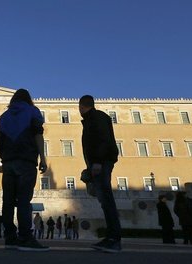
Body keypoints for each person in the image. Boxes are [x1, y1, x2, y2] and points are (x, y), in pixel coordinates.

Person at [0, 89, 49, 251]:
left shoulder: (4, 116)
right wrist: (43, 158)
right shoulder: (32, 112)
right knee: (24, 200)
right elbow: (38, 135)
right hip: (26, 161)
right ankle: (25, 237)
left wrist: (5, 158)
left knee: (8, 201)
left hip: (8, 162)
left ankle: (10, 238)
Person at [79, 95, 121, 253]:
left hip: (101, 163)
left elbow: (103, 140)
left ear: (82, 106)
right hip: (99, 162)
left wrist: (96, 162)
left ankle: (114, 239)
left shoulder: (96, 118)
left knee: (107, 200)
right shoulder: (94, 118)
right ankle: (110, 237)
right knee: (105, 201)